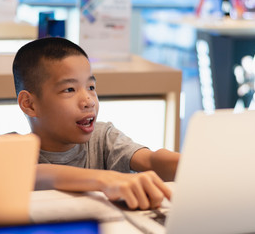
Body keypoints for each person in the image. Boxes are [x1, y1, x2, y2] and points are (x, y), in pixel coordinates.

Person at [12, 37, 180, 210]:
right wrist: (105, 180)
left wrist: (191, 163)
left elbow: (151, 160)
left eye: (91, 87)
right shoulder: (11, 149)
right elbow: (37, 174)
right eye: (69, 89)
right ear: (29, 104)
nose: (88, 101)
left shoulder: (103, 137)